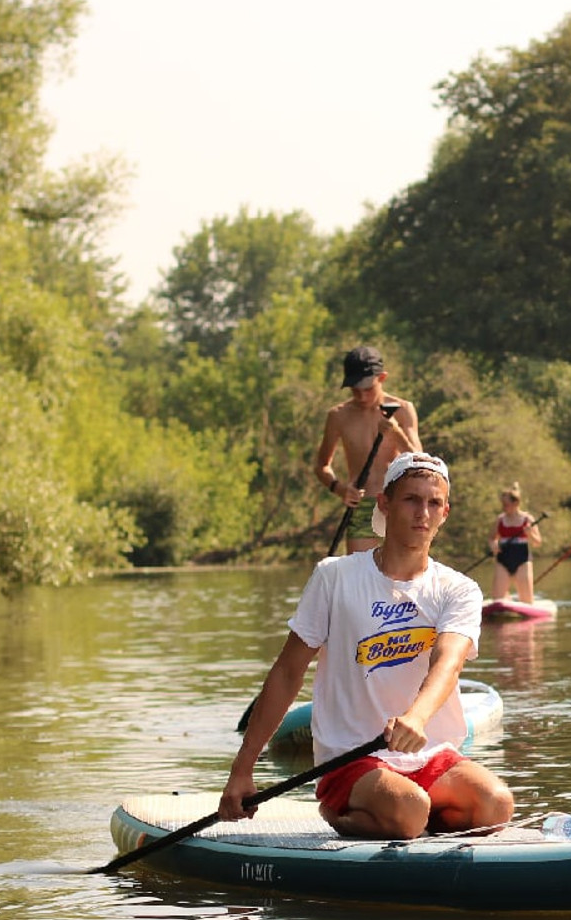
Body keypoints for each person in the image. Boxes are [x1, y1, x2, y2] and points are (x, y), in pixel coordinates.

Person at [219, 452, 514, 840]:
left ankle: (411, 826)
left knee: (496, 804)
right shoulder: (334, 577)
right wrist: (243, 770)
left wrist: (416, 718)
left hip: (429, 756)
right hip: (352, 759)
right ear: (385, 504)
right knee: (409, 808)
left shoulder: (458, 589)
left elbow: (448, 663)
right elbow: (288, 673)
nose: (421, 512)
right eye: (411, 499)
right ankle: (345, 815)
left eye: (433, 503)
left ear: (445, 513)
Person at [314, 345, 422, 554]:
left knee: (399, 582)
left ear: (382, 378)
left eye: (367, 389)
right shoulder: (338, 416)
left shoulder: (403, 409)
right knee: (359, 580)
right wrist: (341, 489)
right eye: (355, 390)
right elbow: (321, 466)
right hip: (362, 507)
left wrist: (396, 432)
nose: (362, 396)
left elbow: (420, 461)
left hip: (399, 505)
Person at [489, 483, 544, 604]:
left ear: (516, 503)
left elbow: (537, 542)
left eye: (506, 505)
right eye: (503, 504)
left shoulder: (527, 519)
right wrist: (493, 544)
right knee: (497, 600)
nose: (504, 507)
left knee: (527, 601)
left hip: (522, 560)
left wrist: (530, 534)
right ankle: (505, 600)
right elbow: (492, 538)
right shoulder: (500, 519)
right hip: (503, 560)